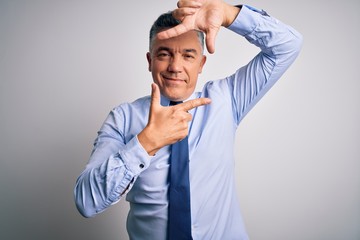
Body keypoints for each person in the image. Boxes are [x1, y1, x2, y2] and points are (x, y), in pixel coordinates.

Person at [74, 0, 302, 239]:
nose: (175, 66)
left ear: (201, 64)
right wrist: (145, 143)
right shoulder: (122, 119)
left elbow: (288, 45)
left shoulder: (227, 99)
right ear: (149, 60)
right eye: (164, 54)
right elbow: (87, 202)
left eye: (188, 55)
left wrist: (229, 14)